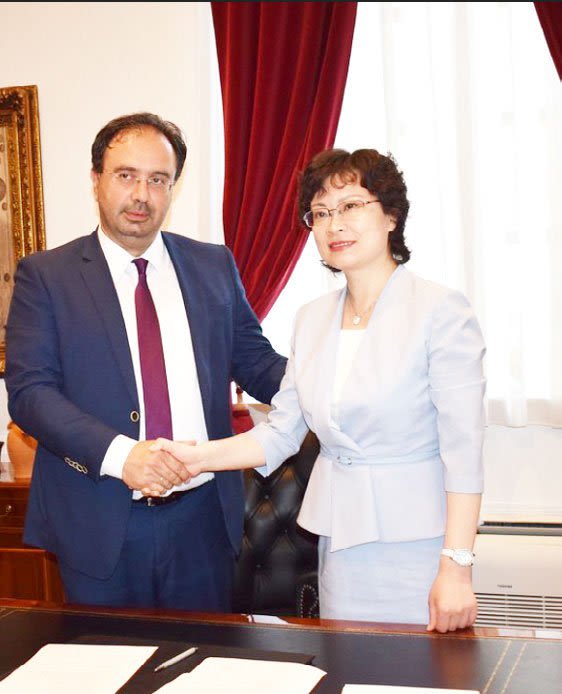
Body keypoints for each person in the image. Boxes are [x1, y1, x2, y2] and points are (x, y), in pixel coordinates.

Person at [153, 148, 487, 633]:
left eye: (351, 206)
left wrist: (457, 566)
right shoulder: (311, 319)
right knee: (349, 663)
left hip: (420, 543)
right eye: (321, 212)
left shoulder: (440, 310)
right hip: (340, 540)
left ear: (391, 215)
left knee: (422, 669)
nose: (335, 224)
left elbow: (464, 451)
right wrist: (196, 458)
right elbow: (280, 434)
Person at [5, 112, 286, 611]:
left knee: (204, 659)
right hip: (98, 520)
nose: (141, 195)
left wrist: (331, 383)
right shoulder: (47, 276)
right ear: (96, 180)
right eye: (126, 175)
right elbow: (31, 394)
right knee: (108, 658)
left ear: (173, 187)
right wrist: (123, 457)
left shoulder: (213, 265)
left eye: (158, 179)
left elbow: (258, 364)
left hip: (202, 520)